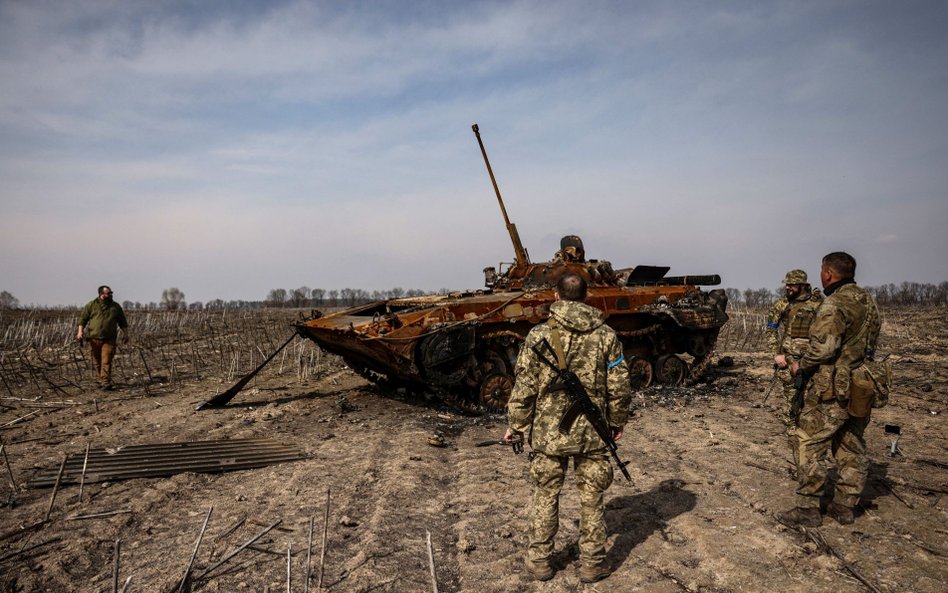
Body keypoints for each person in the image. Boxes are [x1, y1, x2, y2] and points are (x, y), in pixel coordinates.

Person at [503, 272, 632, 583]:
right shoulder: (606, 335)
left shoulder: (538, 336)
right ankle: (593, 563)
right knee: (592, 497)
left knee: (546, 494)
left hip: (549, 434)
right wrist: (616, 421)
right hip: (593, 431)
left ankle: (540, 561)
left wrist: (516, 425)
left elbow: (524, 386)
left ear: (556, 297)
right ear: (586, 297)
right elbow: (620, 384)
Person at [778, 252, 881, 527]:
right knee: (850, 443)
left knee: (808, 442)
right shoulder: (868, 302)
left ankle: (808, 509)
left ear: (828, 274)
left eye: (822, 271)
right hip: (861, 383)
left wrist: (800, 365)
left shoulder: (834, 304)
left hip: (832, 386)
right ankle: (845, 506)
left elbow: (824, 348)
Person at [765, 270, 823, 448]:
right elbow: (771, 330)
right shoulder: (782, 304)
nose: (788, 288)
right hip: (789, 360)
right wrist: (777, 353)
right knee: (792, 399)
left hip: (814, 360)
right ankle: (793, 436)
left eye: (792, 284)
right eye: (787, 284)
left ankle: (812, 436)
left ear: (803, 285)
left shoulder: (819, 304)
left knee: (815, 400)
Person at [76, 285, 129, 390]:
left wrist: (125, 334)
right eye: (108, 293)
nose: (111, 295)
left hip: (109, 339)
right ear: (101, 294)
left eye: (111, 293)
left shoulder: (115, 307)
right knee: (97, 361)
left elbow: (122, 321)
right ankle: (102, 380)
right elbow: (83, 320)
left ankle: (105, 381)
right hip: (94, 338)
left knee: (106, 360)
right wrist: (80, 332)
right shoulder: (91, 305)